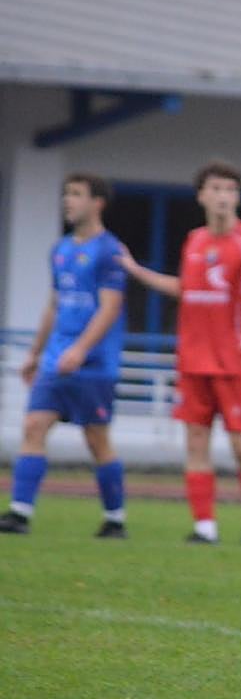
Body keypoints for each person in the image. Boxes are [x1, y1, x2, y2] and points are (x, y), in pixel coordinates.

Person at [120, 160, 241, 545]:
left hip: (237, 360)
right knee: (195, 444)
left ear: (238, 197)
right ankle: (204, 528)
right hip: (193, 360)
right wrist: (137, 271)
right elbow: (188, 289)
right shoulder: (195, 240)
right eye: (215, 188)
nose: (223, 196)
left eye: (230, 190)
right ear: (201, 195)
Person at [1, 174, 129, 538]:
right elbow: (54, 305)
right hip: (55, 358)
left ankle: (115, 520)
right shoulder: (59, 250)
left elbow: (109, 308)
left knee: (96, 439)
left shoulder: (109, 251)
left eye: (76, 194)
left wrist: (81, 349)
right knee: (33, 426)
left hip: (95, 364)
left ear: (97, 202)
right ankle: (20, 513)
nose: (67, 201)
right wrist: (35, 353)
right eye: (66, 194)